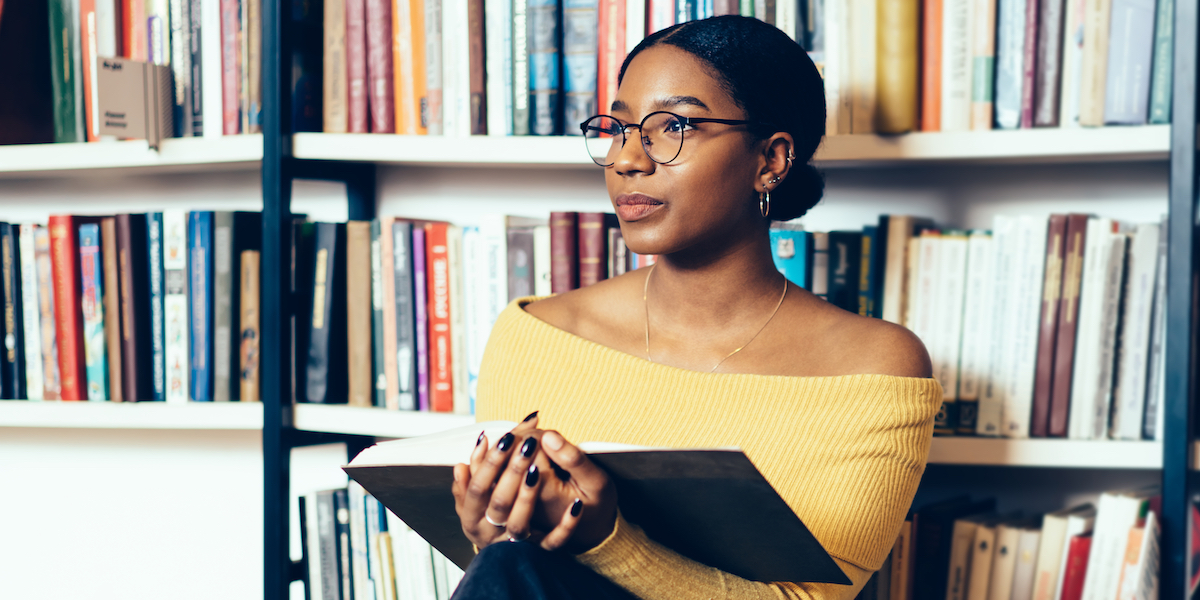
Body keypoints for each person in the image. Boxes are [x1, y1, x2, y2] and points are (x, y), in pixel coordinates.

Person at [449, 14, 942, 600]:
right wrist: (493, 535)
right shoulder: (534, 335)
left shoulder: (873, 366)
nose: (628, 158)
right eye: (620, 128)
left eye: (673, 125)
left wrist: (607, 538)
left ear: (771, 160)